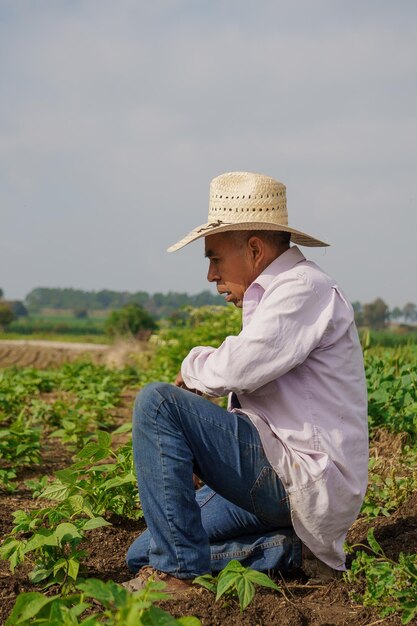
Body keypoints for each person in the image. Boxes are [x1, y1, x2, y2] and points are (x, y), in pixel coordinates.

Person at [124, 171, 368, 594]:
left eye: (214, 258)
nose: (211, 275)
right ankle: (288, 551)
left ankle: (177, 576)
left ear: (254, 249)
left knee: (158, 404)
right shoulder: (275, 294)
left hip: (302, 478)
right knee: (141, 553)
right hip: (276, 471)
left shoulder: (305, 288)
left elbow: (240, 366)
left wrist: (192, 367)